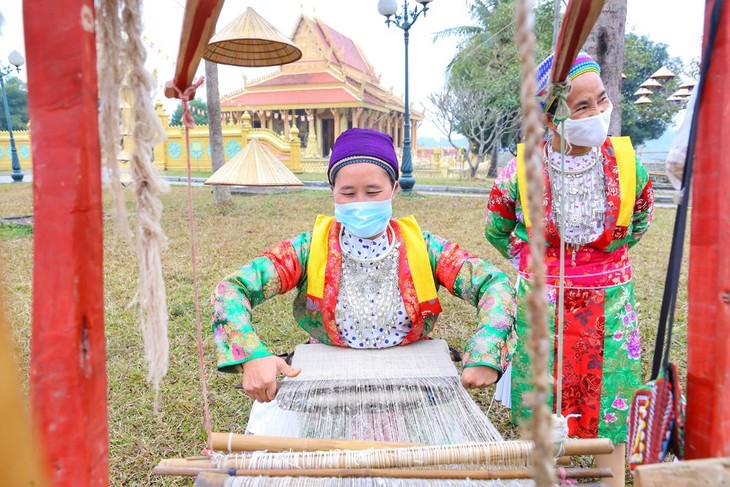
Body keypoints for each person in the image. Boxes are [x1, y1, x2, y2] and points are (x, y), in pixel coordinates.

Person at [212, 128, 516, 407]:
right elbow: (232, 289)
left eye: (373, 193)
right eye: (347, 193)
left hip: (410, 390)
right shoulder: (307, 250)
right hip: (328, 390)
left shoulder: (424, 249)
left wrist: (487, 347)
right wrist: (251, 354)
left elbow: (494, 284)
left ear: (395, 189)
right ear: (332, 191)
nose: (360, 203)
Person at [484, 52, 654, 486]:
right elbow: (498, 226)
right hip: (544, 305)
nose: (597, 114)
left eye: (600, 100)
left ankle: (610, 476)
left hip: (612, 304)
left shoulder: (628, 163)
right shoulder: (520, 171)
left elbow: (638, 222)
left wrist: (596, 262)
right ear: (550, 117)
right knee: (542, 397)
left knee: (612, 397)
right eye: (582, 107)